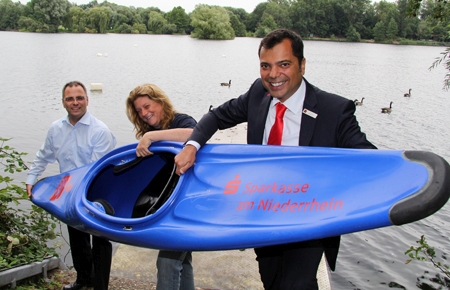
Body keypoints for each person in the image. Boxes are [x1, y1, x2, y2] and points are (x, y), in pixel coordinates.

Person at [174, 29, 377, 290]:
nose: (273, 75)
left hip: (310, 219)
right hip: (263, 212)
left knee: (296, 284)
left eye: (284, 64)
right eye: (265, 66)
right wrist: (192, 145)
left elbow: (369, 160)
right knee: (272, 282)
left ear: (302, 65)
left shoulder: (335, 110)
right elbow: (216, 117)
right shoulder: (258, 93)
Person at [26, 81, 117, 290]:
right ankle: (84, 281)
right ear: (63, 103)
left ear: (87, 100)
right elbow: (43, 156)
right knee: (77, 238)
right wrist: (32, 179)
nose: (75, 103)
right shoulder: (56, 129)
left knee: (100, 241)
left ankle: (100, 286)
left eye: (79, 98)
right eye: (70, 99)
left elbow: (96, 170)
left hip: (97, 192)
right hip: (69, 192)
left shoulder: (100, 131)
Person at [125, 83, 196, 290]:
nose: (144, 113)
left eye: (147, 106)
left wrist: (151, 137)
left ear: (160, 101)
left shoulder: (179, 120)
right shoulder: (151, 131)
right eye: (139, 111)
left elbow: (194, 134)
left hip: (186, 203)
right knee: (182, 259)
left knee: (167, 261)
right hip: (168, 205)